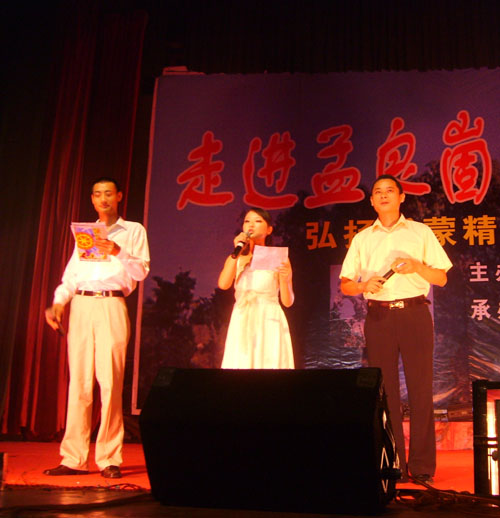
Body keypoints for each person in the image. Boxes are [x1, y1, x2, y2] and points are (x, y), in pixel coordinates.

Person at [339, 174, 452, 484]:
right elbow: (346, 284)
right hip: (379, 317)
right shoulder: (363, 238)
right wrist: (363, 285)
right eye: (378, 192)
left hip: (415, 313)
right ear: (372, 201)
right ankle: (394, 464)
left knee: (420, 389)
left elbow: (441, 277)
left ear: (402, 197)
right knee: (385, 391)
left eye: (390, 190)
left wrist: (417, 267)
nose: (384, 195)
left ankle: (422, 467)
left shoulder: (420, 232)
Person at [44, 177, 150, 479]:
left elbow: (141, 272)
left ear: (119, 196)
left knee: (111, 382)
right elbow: (70, 277)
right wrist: (59, 303)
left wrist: (118, 251)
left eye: (109, 194)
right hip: (81, 304)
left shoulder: (133, 230)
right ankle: (73, 458)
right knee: (79, 382)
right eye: (98, 194)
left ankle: (109, 458)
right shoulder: (86, 233)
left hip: (112, 303)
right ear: (92, 199)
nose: (103, 199)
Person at [218, 208, 294, 369]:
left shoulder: (278, 257)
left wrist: (285, 278)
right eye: (247, 221)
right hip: (242, 317)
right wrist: (236, 251)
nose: (251, 225)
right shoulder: (236, 257)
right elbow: (223, 284)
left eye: (258, 221)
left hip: (269, 319)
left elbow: (287, 301)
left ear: (269, 229)